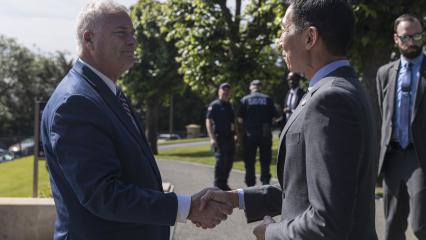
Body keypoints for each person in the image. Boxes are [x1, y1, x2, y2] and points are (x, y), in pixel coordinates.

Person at [40, 1, 231, 239]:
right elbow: (103, 194)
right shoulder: (76, 103)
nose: (132, 41)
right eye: (121, 33)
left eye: (133, 33)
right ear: (88, 39)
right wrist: (187, 207)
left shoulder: (105, 92)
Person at [200, 0, 379, 239]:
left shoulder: (330, 100)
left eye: (285, 29)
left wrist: (271, 233)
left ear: (309, 38)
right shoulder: (338, 89)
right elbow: (301, 188)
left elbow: (327, 222)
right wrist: (235, 198)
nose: (280, 41)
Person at [376, 14, 426, 240]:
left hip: (420, 157)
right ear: (396, 39)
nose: (413, 41)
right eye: (406, 37)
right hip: (393, 157)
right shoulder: (384, 73)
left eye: (417, 35)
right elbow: (383, 115)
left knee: (421, 225)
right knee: (392, 228)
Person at [238, 80, 278, 186]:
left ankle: (250, 183)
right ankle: (265, 182)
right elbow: (274, 118)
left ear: (250, 87)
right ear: (260, 87)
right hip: (265, 134)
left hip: (250, 134)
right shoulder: (267, 99)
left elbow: (240, 119)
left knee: (249, 160)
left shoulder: (245, 100)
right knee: (265, 159)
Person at [206, 83, 236, 191]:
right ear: (219, 91)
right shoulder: (214, 105)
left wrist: (236, 134)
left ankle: (223, 184)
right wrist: (212, 138)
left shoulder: (230, 106)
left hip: (230, 138)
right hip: (219, 138)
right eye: (224, 90)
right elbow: (208, 121)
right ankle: (217, 185)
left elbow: (233, 122)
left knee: (229, 161)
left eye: (228, 90)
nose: (226, 92)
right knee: (221, 161)